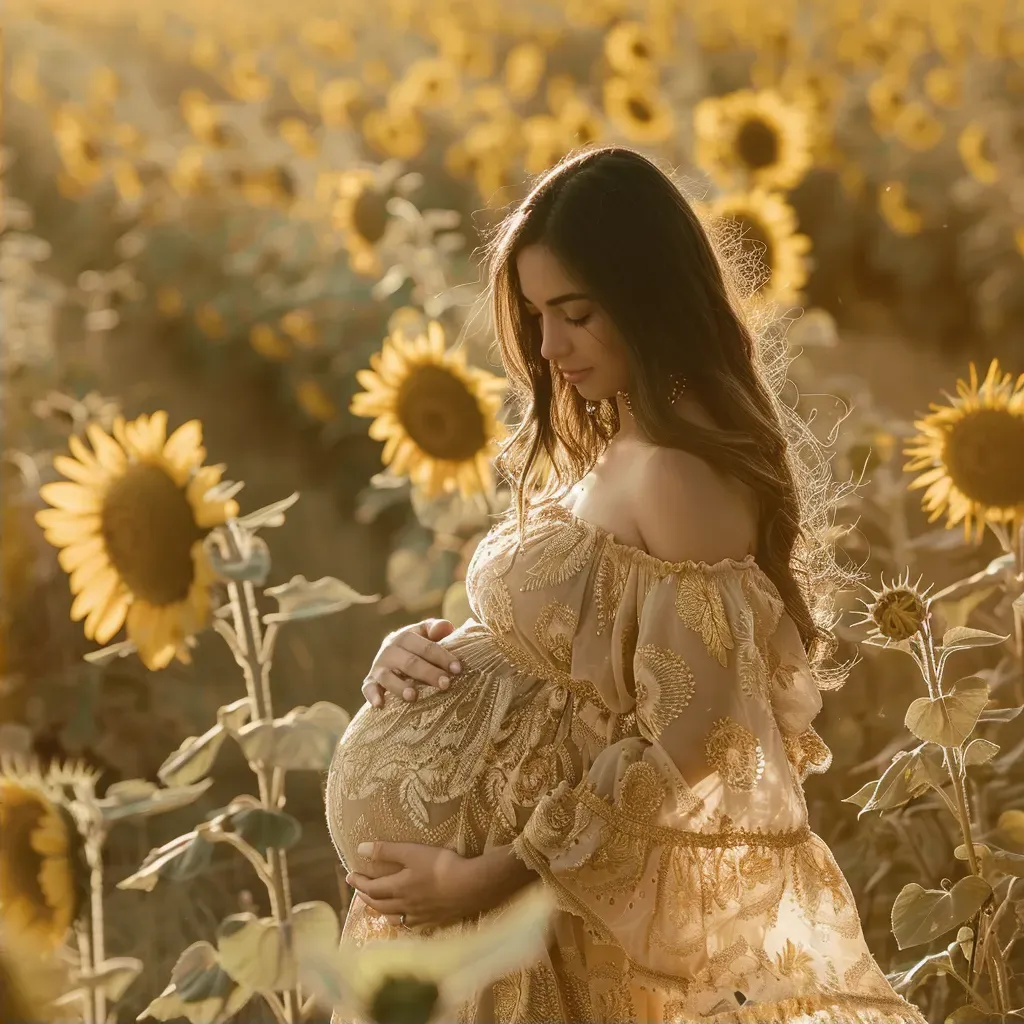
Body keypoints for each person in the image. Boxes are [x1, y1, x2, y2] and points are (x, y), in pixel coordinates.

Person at [325, 146, 927, 1024]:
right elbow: (570, 653)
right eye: (535, 315)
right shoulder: (621, 444)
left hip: (541, 922)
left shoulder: (678, 477)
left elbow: (695, 743)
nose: (549, 347)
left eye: (575, 314)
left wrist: (480, 877)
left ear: (650, 302)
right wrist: (421, 649)